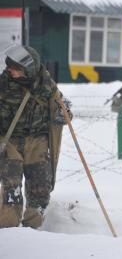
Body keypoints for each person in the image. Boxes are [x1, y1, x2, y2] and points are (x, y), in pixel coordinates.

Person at [0, 45, 69, 228]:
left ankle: (33, 231)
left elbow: (62, 106)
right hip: (10, 142)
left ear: (28, 69)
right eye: (9, 67)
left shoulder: (46, 85)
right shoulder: (3, 85)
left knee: (40, 189)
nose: (9, 70)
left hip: (37, 142)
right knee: (11, 189)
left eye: (14, 68)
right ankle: (8, 231)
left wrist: (64, 113)